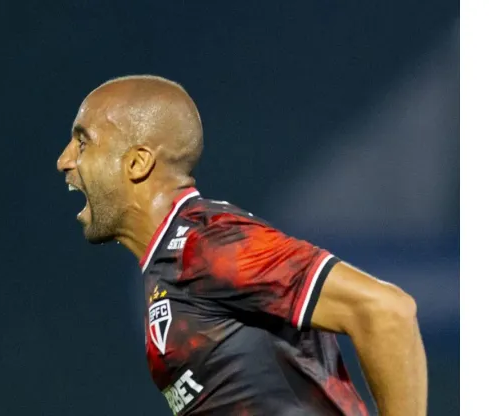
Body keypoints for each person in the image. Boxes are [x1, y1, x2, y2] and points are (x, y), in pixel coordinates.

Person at [56, 75, 427, 416]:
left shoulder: (207, 243)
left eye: (83, 142)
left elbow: (386, 311)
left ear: (137, 162)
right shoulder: (168, 261)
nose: (65, 161)